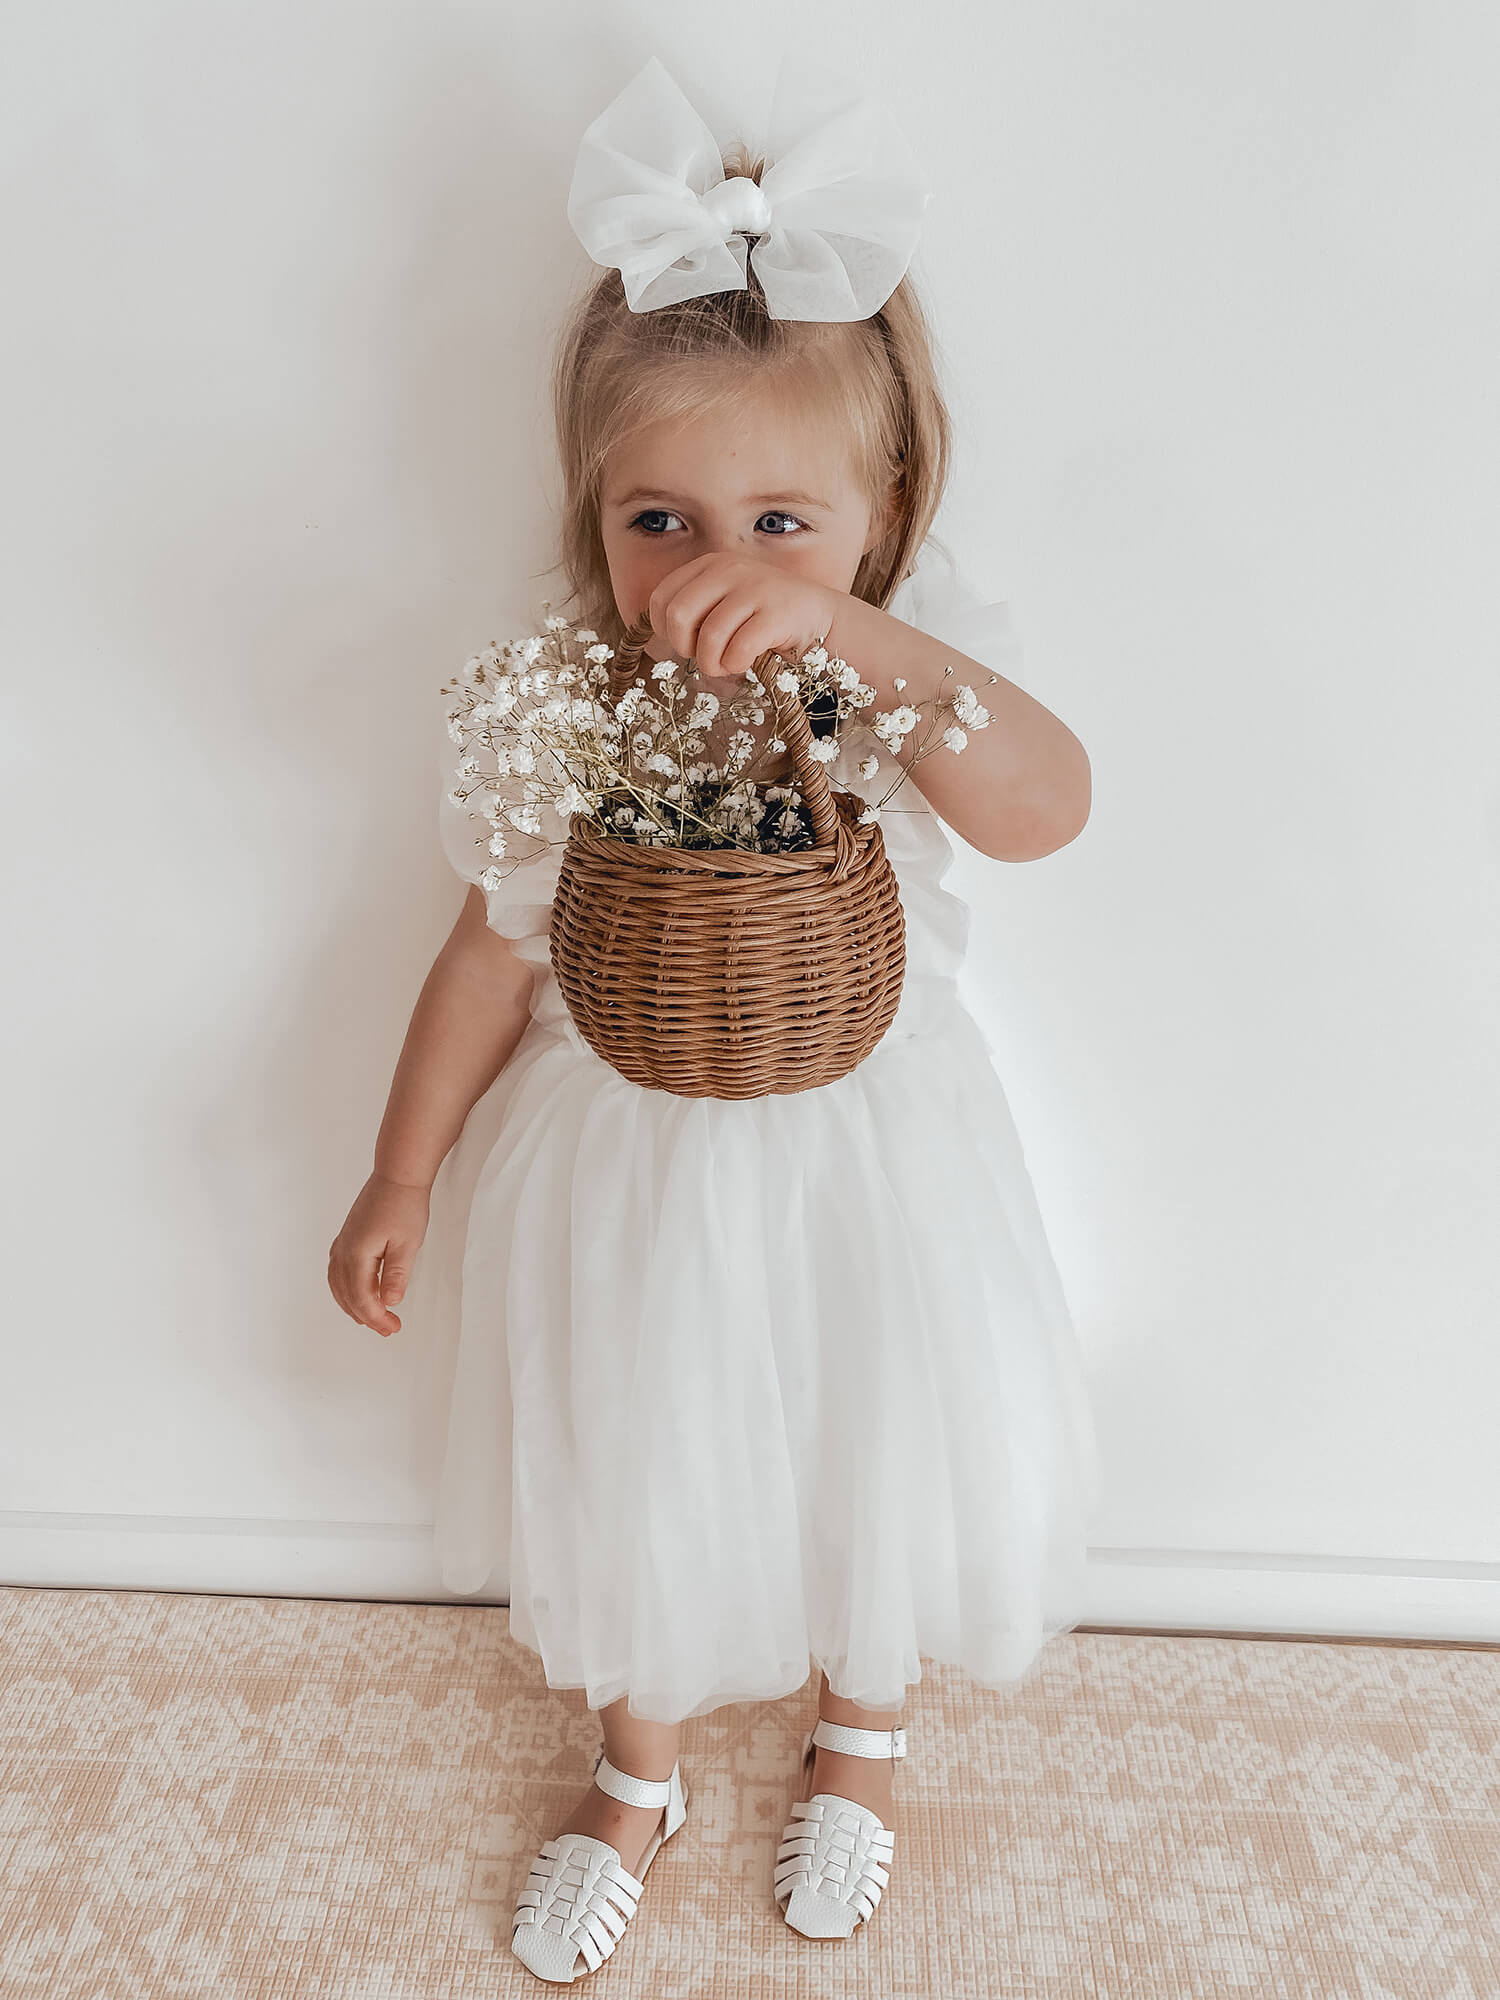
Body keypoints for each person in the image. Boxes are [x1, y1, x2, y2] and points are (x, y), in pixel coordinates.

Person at [328, 52, 1102, 1986]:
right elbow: (493, 951)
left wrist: (874, 648)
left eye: (782, 522)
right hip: (631, 1150)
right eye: (658, 520)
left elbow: (1053, 804)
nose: (713, 573)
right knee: (644, 1445)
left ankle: (864, 1728)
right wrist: (398, 1168)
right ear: (591, 515)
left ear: (884, 507)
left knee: (870, 1433)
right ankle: (640, 1761)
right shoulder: (571, 711)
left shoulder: (901, 683)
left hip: (870, 1147)